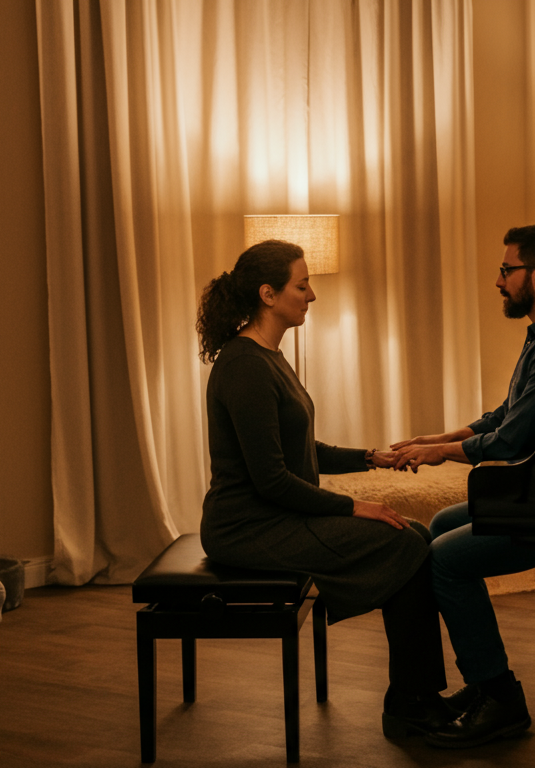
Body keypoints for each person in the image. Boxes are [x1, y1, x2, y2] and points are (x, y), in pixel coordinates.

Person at [195, 239, 453, 739]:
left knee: (416, 539)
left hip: (274, 517)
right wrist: (359, 507)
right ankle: (411, 702)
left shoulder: (266, 356)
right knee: (406, 542)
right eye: (303, 284)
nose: (311, 295)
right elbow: (271, 480)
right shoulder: (245, 364)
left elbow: (298, 448)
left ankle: (416, 695)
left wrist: (370, 459)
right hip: (246, 527)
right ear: (268, 295)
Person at [390, 224, 535, 748]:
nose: (499, 281)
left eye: (507, 270)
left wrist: (438, 454)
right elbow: (506, 415)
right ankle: (485, 684)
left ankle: (501, 697)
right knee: (439, 525)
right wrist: (441, 436)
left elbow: (511, 440)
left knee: (443, 559)